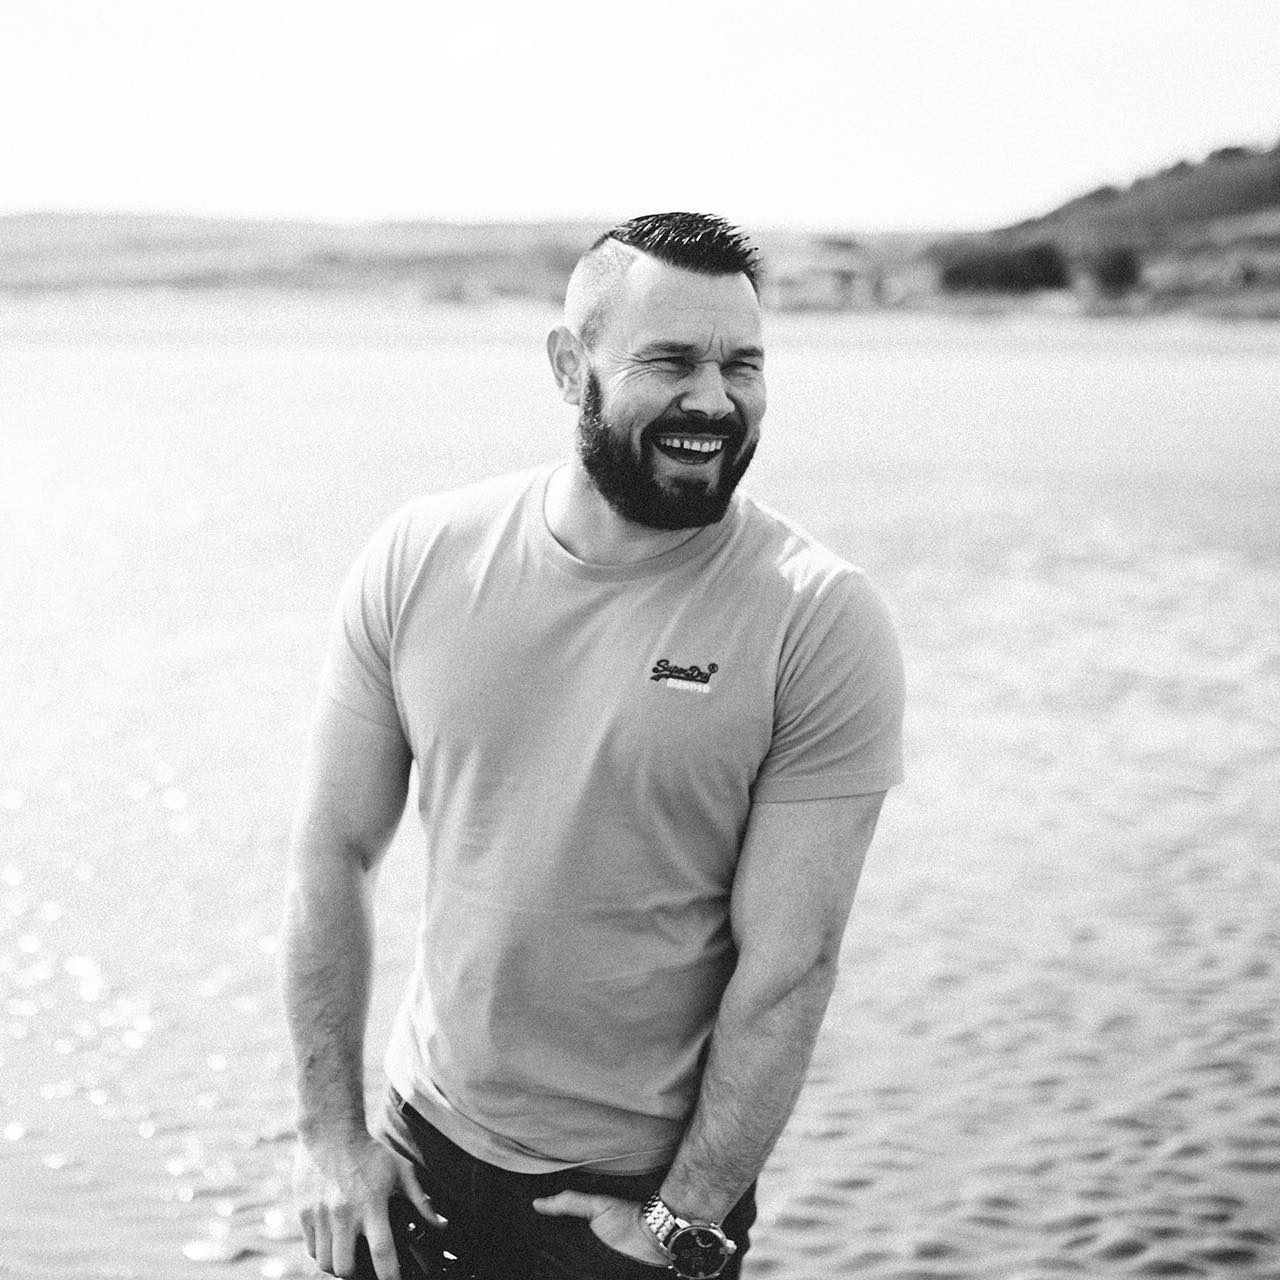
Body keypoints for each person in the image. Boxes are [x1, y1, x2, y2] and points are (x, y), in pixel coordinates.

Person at [284, 211, 905, 1280]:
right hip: (414, 1153)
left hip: (623, 1207)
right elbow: (332, 851)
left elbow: (791, 962)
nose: (712, 399)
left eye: (742, 364)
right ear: (571, 365)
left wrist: (683, 1215)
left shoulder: (817, 616)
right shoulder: (421, 556)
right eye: (670, 360)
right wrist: (332, 1136)